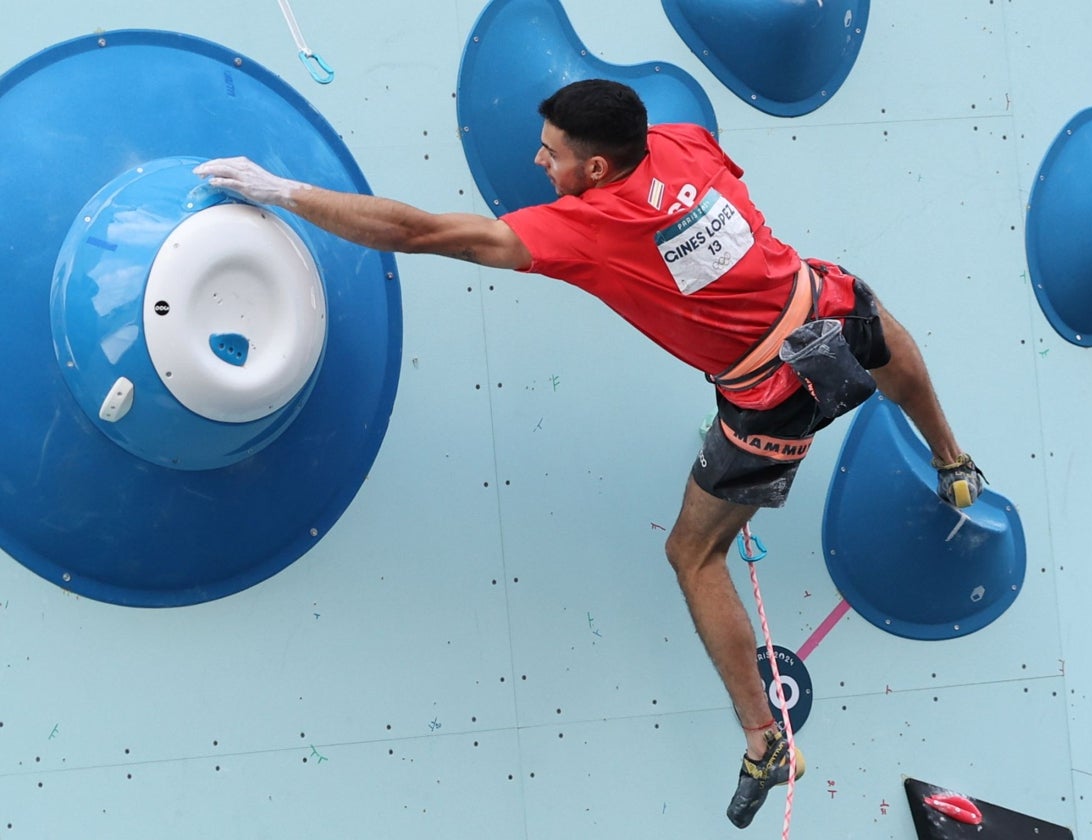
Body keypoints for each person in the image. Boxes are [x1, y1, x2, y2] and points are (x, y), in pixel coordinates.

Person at [195, 78, 985, 829]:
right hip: (828, 308)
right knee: (873, 321)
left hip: (770, 398)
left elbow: (419, 232)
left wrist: (282, 192)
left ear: (597, 167)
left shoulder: (586, 226)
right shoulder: (681, 142)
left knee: (692, 555)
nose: (541, 162)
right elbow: (696, 212)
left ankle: (763, 741)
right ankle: (952, 461)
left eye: (552, 152)